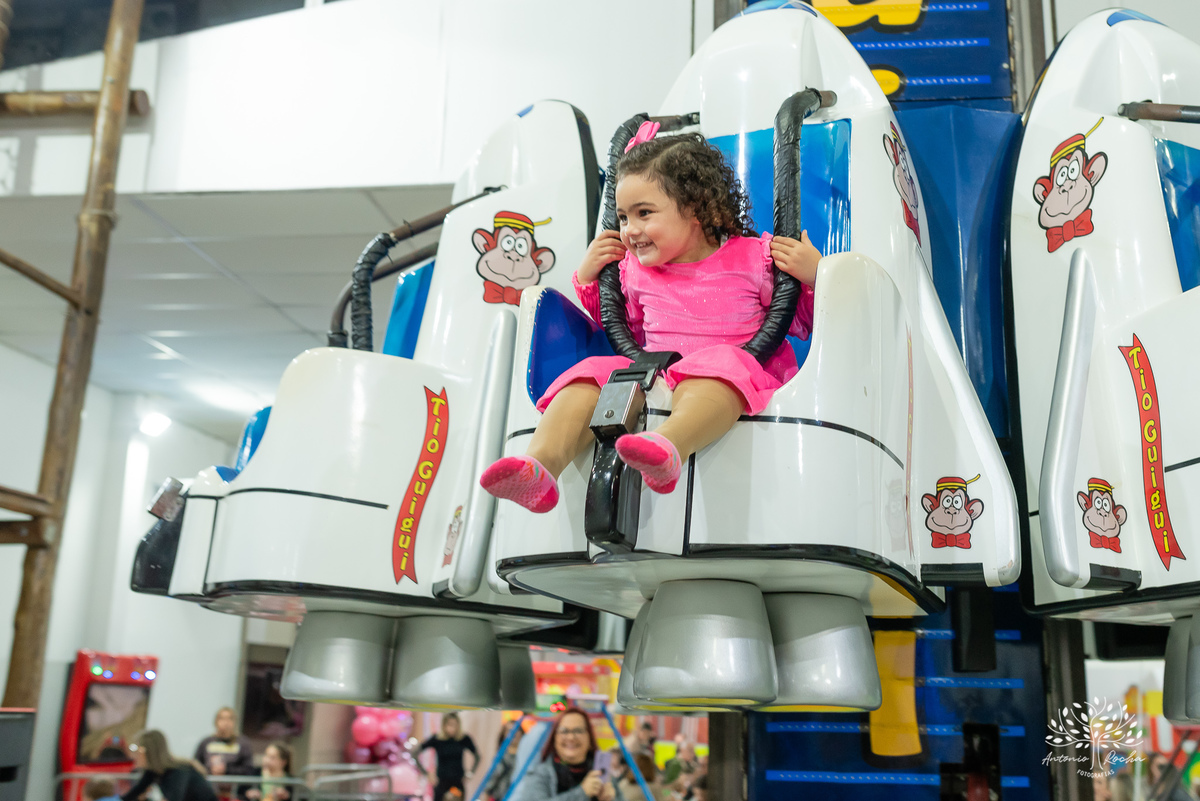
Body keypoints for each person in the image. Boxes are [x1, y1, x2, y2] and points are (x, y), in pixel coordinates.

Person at [481, 125, 821, 513]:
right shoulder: (635, 271)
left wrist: (814, 275)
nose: (630, 231)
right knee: (591, 372)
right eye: (623, 218)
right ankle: (539, 467)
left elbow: (803, 321)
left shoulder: (753, 258)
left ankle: (668, 447)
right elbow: (620, 326)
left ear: (695, 209)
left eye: (644, 214)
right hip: (656, 376)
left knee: (718, 367)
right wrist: (590, 279)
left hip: (733, 381)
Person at [509, 708, 624, 801]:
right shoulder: (540, 775)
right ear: (554, 738)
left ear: (589, 738)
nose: (571, 737)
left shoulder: (601, 774)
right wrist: (582, 793)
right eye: (564, 731)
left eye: (578, 731)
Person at [122, 730, 219, 801]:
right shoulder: (153, 772)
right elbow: (131, 795)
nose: (134, 755)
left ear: (148, 752)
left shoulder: (179, 771)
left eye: (136, 750)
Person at [417, 712, 479, 801]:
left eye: (454, 725)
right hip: (442, 783)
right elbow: (414, 752)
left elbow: (477, 756)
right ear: (444, 725)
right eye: (449, 724)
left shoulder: (463, 739)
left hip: (457, 783)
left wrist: (470, 773)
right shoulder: (437, 739)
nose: (452, 728)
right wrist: (426, 773)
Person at [194, 707, 254, 778]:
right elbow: (196, 766)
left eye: (229, 719)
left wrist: (227, 770)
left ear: (234, 722)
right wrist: (210, 770)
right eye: (222, 718)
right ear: (216, 721)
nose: (226, 722)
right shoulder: (206, 742)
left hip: (234, 785)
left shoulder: (243, 743)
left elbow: (248, 769)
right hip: (209, 784)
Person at [483, 720, 524, 800]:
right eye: (509, 731)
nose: (514, 733)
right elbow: (492, 779)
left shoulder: (526, 755)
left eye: (516, 730)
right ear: (504, 735)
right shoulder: (501, 756)